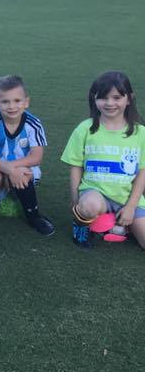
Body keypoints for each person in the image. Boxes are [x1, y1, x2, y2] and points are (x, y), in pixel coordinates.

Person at [63, 71, 145, 249]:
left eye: (116, 97)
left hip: (127, 197)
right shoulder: (85, 129)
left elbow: (142, 173)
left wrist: (131, 207)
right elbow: (75, 166)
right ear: (94, 99)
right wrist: (76, 198)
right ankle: (82, 226)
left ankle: (116, 223)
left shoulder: (141, 133)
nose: (109, 103)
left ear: (129, 99)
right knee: (89, 206)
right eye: (103, 98)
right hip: (95, 194)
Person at [0, 75, 55, 236]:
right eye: (5, 101)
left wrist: (13, 170)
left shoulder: (33, 123)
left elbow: (36, 157)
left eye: (17, 101)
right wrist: (10, 170)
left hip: (23, 168)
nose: (12, 106)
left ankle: (33, 216)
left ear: (26, 102)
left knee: (23, 172)